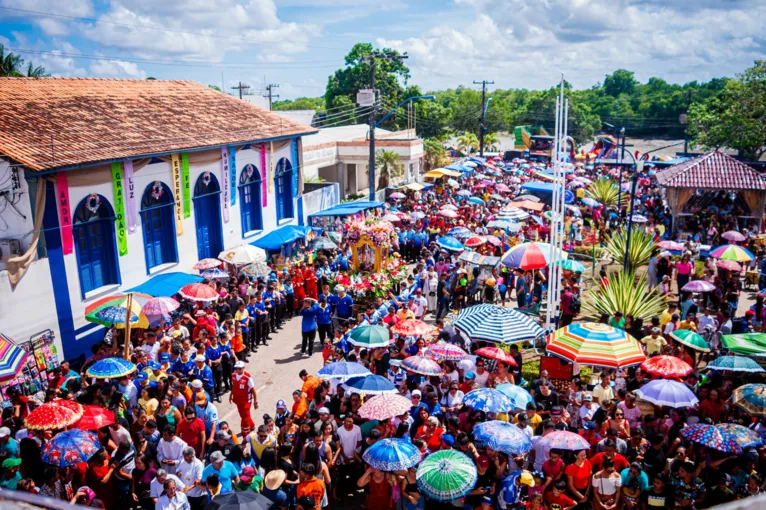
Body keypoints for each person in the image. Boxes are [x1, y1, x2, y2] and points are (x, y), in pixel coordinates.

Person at [229, 360, 258, 435]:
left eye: (240, 368)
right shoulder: (233, 375)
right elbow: (234, 386)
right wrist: (230, 395)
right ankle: (252, 425)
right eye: (236, 368)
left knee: (244, 418)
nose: (238, 370)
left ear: (243, 368)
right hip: (237, 400)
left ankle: (245, 433)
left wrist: (255, 401)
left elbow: (253, 390)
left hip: (246, 401)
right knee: (243, 415)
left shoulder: (247, 378)